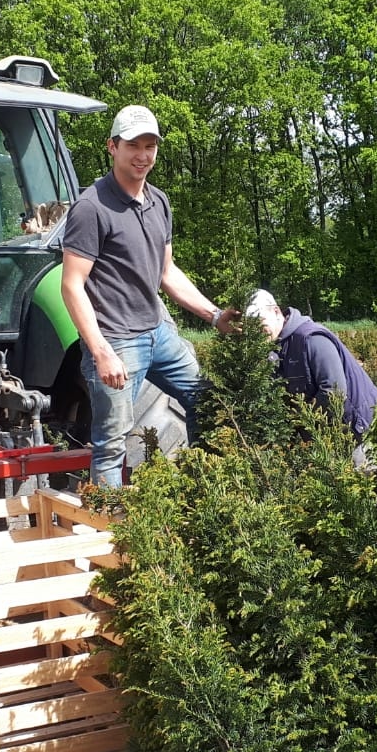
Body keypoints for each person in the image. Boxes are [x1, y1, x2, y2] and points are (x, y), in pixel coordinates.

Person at [61, 104, 239, 488]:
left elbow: (166, 273)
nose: (143, 155)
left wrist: (213, 315)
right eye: (133, 146)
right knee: (111, 445)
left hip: (158, 333)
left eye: (150, 146)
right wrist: (101, 350)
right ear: (112, 147)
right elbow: (72, 285)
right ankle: (114, 535)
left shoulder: (159, 202)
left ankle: (205, 492)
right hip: (118, 341)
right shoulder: (91, 207)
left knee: (206, 403)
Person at [243, 288, 377, 439]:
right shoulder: (274, 346)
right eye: (250, 326)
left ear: (276, 312)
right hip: (328, 433)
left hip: (360, 428)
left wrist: (301, 424)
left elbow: (334, 391)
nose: (256, 330)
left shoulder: (310, 338)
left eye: (260, 322)